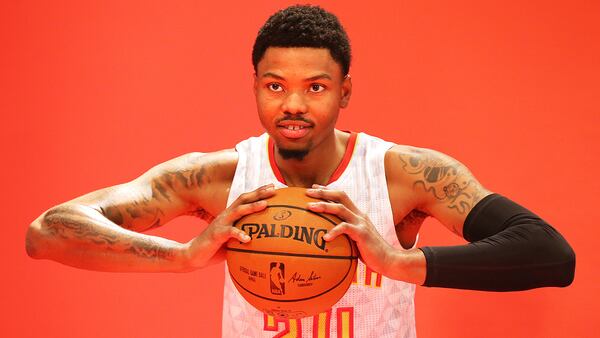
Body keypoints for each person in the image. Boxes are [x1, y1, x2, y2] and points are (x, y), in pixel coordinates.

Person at [26, 5, 575, 337]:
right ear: (256, 87)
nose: (293, 104)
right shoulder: (215, 178)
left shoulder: (401, 176)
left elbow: (551, 253)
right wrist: (186, 255)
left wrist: (397, 262)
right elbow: (48, 231)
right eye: (274, 85)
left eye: (315, 86)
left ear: (345, 90)